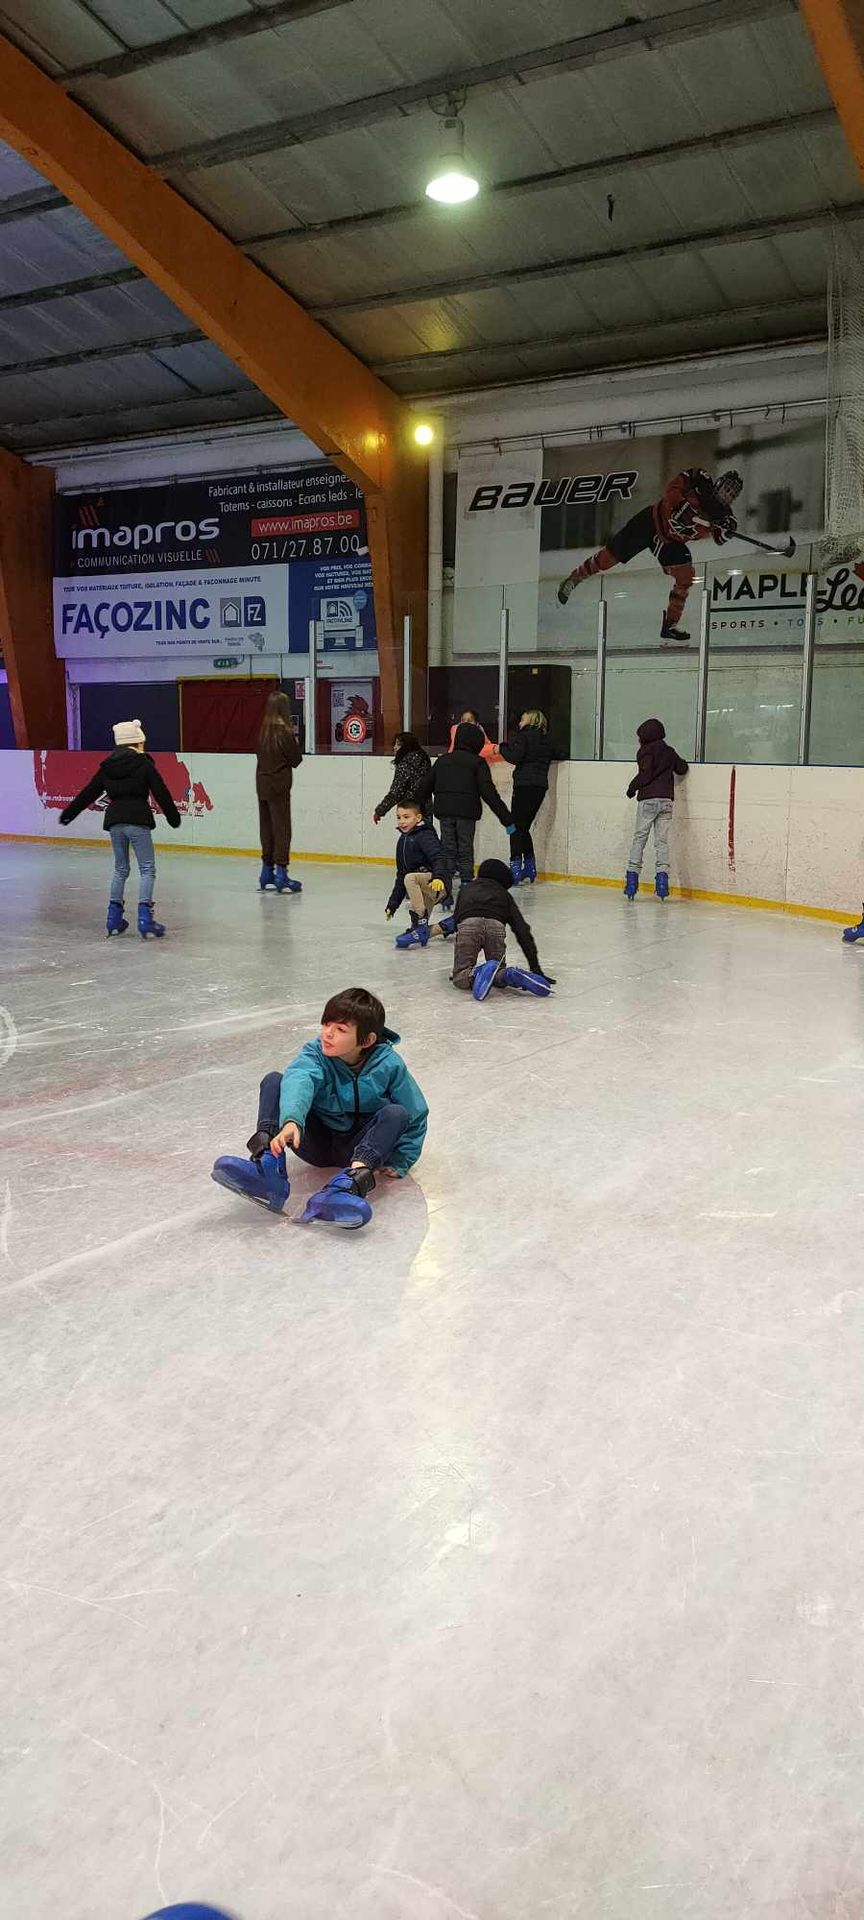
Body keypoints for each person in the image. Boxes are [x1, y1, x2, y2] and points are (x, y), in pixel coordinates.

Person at [211, 987, 428, 1229]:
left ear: (367, 1040)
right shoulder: (315, 1053)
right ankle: (267, 1169)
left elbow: (416, 1112)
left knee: (396, 1113)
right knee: (275, 1081)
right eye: (326, 1024)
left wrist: (400, 1159)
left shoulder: (389, 1064)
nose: (328, 1033)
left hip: (357, 1147)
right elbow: (299, 1078)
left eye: (340, 1029)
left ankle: (348, 1185)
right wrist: (292, 1121)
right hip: (314, 1141)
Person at [557, 468, 742, 645]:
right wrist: (680, 504)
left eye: (732, 494)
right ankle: (574, 578)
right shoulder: (701, 479)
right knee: (608, 559)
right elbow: (672, 488)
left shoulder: (723, 516)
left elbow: (720, 538)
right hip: (650, 522)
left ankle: (670, 625)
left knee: (686, 576)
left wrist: (727, 531)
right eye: (727, 489)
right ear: (718, 483)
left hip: (671, 542)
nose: (727, 495)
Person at [58, 718, 181, 938]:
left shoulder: (107, 767)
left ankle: (113, 918)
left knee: (121, 869)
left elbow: (89, 792)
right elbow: (160, 791)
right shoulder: (144, 764)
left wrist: (69, 814)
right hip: (138, 820)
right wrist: (173, 818)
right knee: (147, 869)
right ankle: (145, 918)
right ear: (137, 742)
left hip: (115, 822)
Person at [417, 721, 514, 887]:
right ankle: (467, 882)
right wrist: (506, 818)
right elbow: (489, 792)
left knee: (447, 848)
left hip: (445, 811)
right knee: (465, 847)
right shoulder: (477, 763)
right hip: (467, 813)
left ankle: (444, 882)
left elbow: (425, 787)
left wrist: (416, 808)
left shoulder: (442, 761)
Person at [448, 858, 555, 1000]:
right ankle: (507, 975)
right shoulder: (504, 895)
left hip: (469, 925)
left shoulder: (466, 889)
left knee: (460, 976)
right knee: (497, 971)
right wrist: (535, 968)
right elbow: (522, 930)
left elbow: (456, 919)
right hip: (496, 927)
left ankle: (475, 974)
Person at [498, 709, 565, 886]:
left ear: (531, 720)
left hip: (524, 785)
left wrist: (501, 748)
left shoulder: (524, 737)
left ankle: (515, 868)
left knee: (514, 827)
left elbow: (515, 756)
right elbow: (561, 752)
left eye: (523, 719)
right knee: (524, 827)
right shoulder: (547, 739)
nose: (520, 722)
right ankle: (529, 865)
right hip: (540, 786)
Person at [624, 718, 689, 900]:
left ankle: (631, 882)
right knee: (661, 842)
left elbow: (646, 774)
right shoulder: (669, 751)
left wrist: (632, 788)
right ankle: (662, 883)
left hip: (648, 801)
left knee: (640, 839)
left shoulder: (645, 751)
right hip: (666, 801)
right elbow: (682, 768)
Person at [385, 802, 450, 948]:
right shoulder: (403, 841)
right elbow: (401, 875)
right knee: (407, 878)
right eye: (399, 817)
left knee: (410, 878)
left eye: (406, 817)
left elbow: (439, 857)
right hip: (423, 888)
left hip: (436, 883)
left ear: (418, 818)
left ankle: (421, 923)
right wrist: (392, 905)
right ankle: (442, 927)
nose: (402, 821)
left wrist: (439, 877)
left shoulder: (425, 835)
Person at [256, 690, 302, 894]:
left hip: (262, 784)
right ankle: (281, 872)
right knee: (282, 828)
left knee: (266, 827)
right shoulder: (285, 733)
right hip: (279, 786)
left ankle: (266, 870)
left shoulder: (263, 733)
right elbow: (296, 760)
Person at [372, 731, 432, 824]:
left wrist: (380, 811)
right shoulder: (424, 760)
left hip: (409, 810)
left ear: (406, 746)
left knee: (410, 833)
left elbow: (396, 792)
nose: (395, 747)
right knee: (425, 832)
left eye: (398, 744)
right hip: (426, 809)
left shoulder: (405, 763)